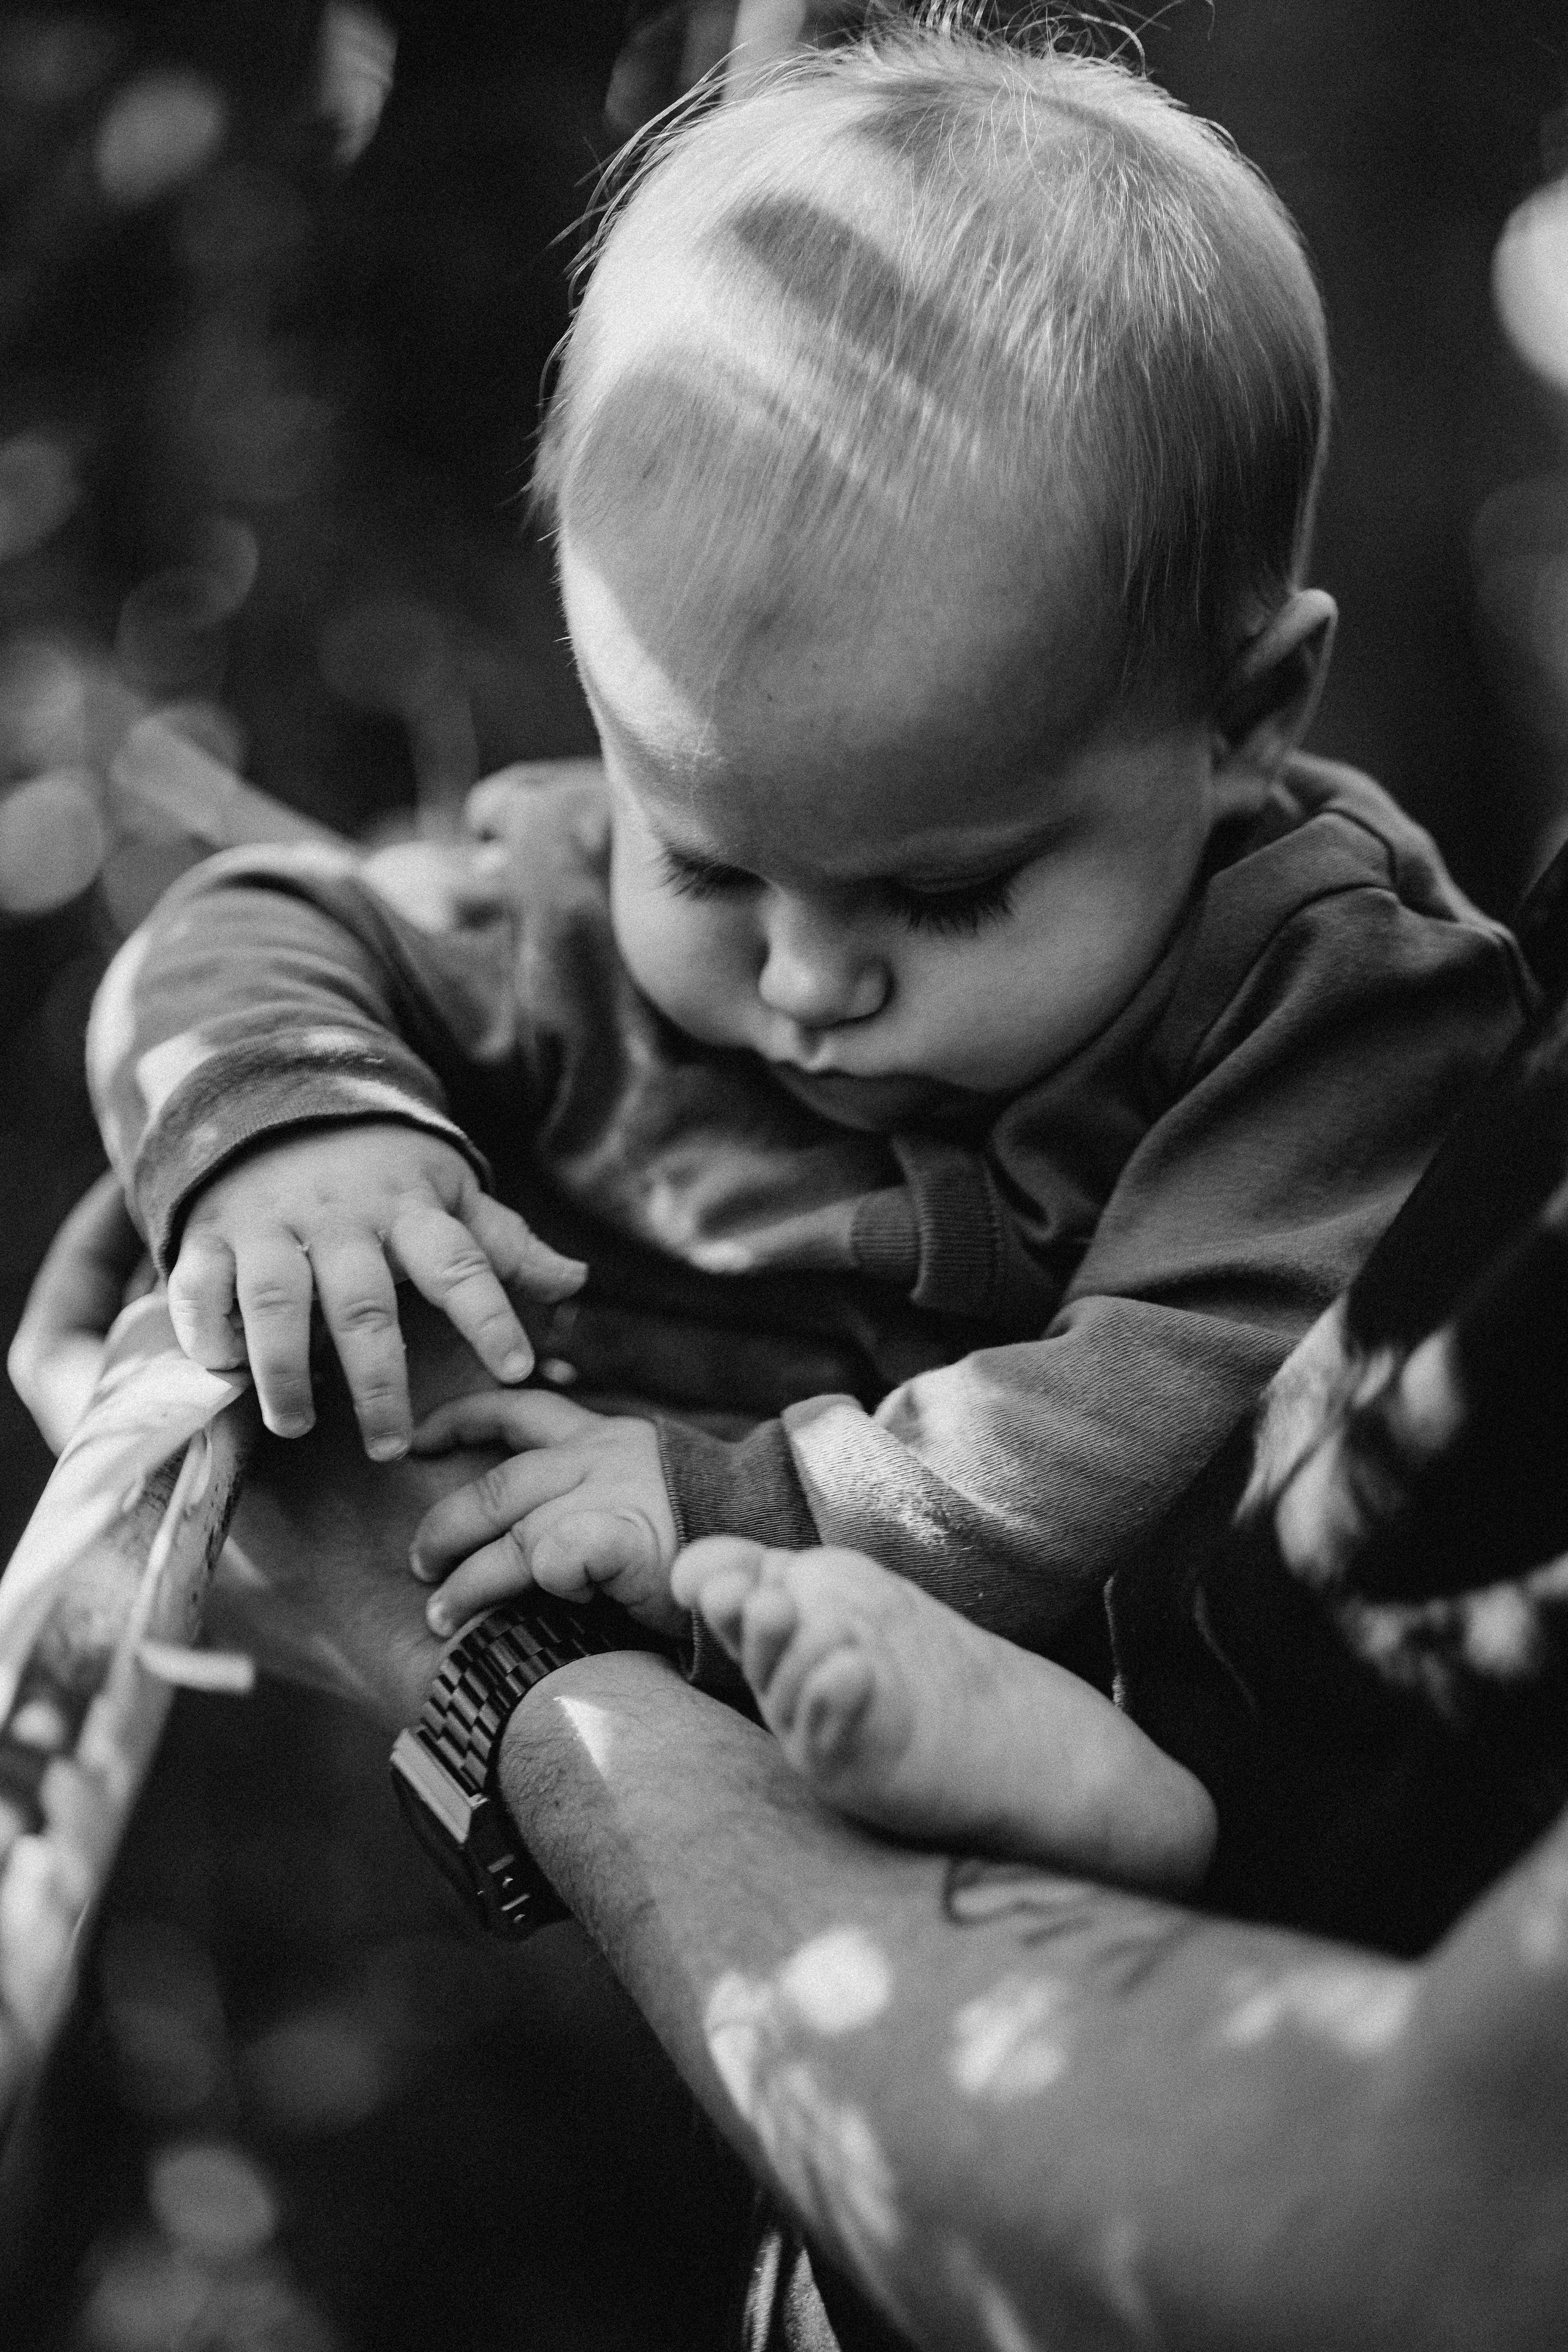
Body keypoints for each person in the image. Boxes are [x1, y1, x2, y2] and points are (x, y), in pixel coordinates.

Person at [83, 23, 1528, 1890]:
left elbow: (1184, 1383)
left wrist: (728, 1508)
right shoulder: (575, 884)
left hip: (1041, 1651)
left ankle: (1076, 1783)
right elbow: (249, 924)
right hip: (618, 1642)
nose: (804, 985)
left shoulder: (1325, 991)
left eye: (941, 900)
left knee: (1126, 1699)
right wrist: (297, 1135)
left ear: (1244, 719)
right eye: (712, 867)